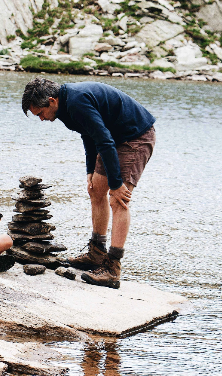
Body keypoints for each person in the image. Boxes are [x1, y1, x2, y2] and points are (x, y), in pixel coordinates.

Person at [22, 78, 156, 288]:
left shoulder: (76, 102)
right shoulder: (65, 108)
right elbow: (88, 135)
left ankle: (112, 268)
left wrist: (116, 184)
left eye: (40, 113)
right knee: (95, 189)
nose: (41, 119)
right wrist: (90, 171)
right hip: (111, 138)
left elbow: (103, 139)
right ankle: (96, 254)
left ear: (51, 100)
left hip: (134, 137)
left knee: (118, 199)